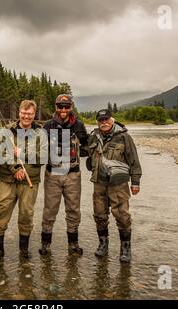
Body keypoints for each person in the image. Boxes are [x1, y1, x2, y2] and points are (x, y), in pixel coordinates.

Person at [0, 100, 47, 261]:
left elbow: (44, 156)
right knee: (0, 211)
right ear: (19, 113)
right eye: (23, 112)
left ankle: (23, 249)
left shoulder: (41, 133)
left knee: (26, 215)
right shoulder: (6, 131)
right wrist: (15, 169)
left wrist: (22, 152)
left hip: (30, 181)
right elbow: (1, 153)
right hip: (7, 180)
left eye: (29, 113)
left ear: (34, 114)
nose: (26, 116)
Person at [86, 109, 142, 263]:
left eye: (106, 119)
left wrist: (135, 182)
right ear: (97, 122)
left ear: (112, 120)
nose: (104, 122)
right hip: (99, 183)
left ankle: (125, 248)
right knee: (99, 215)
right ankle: (103, 244)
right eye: (101, 120)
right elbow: (83, 151)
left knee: (122, 216)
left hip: (119, 184)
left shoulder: (124, 137)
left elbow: (134, 161)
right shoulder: (93, 136)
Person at [39, 94, 88, 256]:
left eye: (66, 107)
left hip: (73, 175)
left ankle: (73, 243)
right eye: (60, 106)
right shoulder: (47, 126)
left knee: (73, 210)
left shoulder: (79, 126)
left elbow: (87, 148)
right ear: (56, 107)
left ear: (71, 107)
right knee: (49, 210)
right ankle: (45, 243)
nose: (63, 110)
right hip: (52, 174)